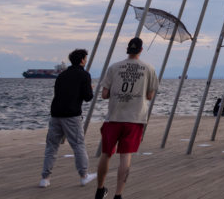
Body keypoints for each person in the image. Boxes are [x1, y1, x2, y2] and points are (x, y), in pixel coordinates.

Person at [94, 37, 158, 199]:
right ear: (141, 50)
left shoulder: (114, 67)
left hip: (114, 117)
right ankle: (118, 194)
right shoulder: (149, 68)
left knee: (106, 153)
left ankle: (100, 189)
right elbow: (150, 95)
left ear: (127, 49)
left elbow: (104, 94)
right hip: (135, 118)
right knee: (125, 156)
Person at [39, 48, 97, 188]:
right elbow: (88, 97)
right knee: (78, 145)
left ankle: (45, 179)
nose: (86, 60)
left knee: (51, 147)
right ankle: (84, 175)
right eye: (85, 58)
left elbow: (58, 93)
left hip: (56, 113)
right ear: (82, 60)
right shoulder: (84, 75)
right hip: (72, 115)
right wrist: (90, 87)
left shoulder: (62, 75)